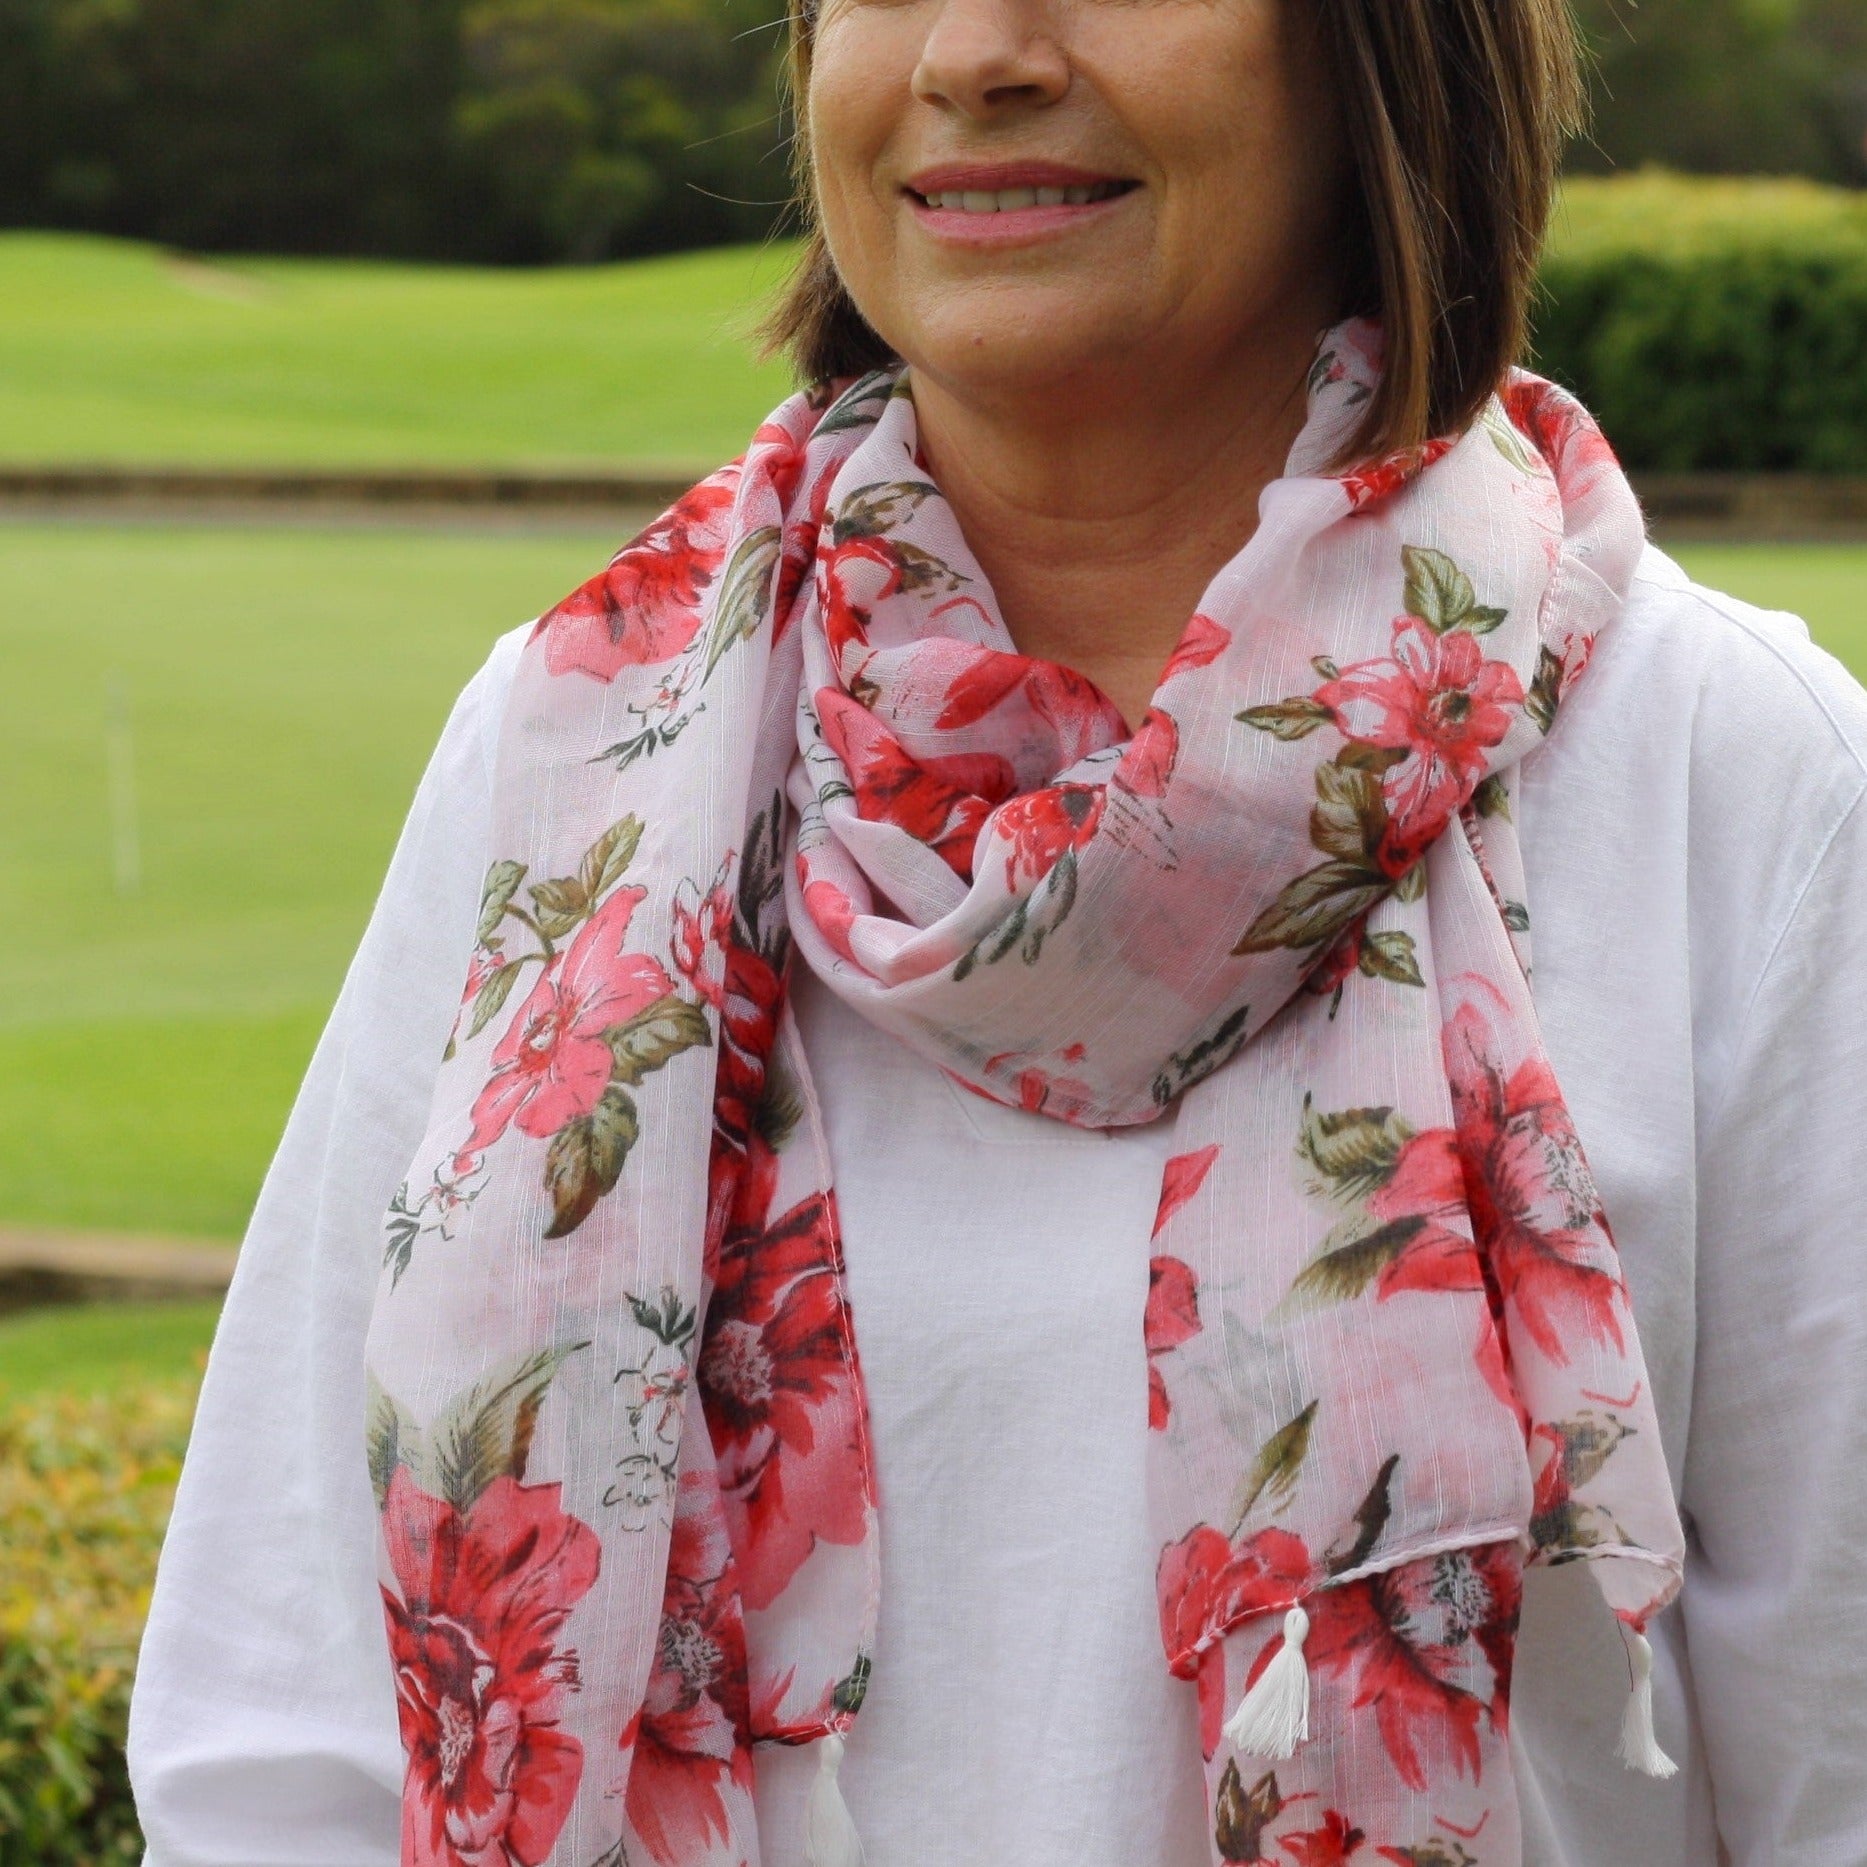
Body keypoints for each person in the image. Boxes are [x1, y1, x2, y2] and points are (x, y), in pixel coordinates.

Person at [127, 0, 1867, 1863]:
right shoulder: (573, 754)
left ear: (1387, 48)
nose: (973, 49)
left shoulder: (1729, 780)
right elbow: (291, 1744)